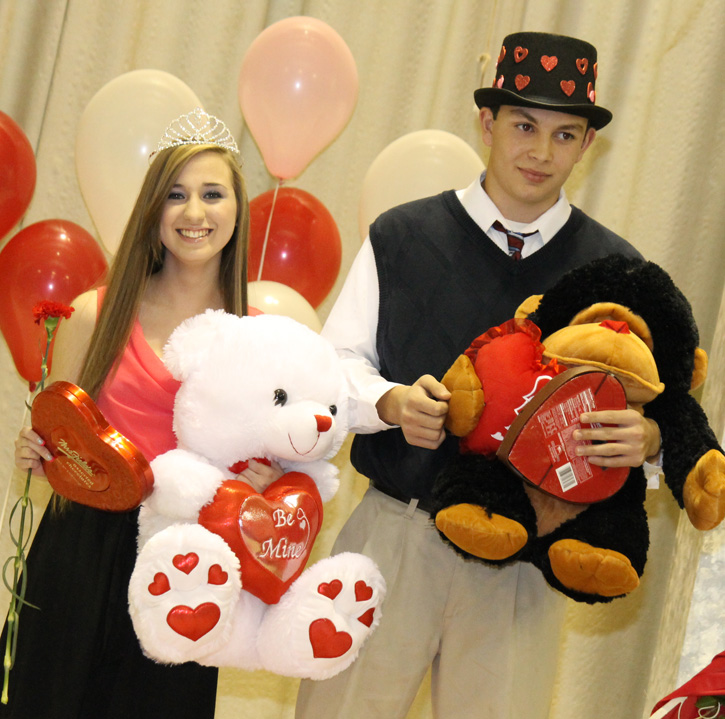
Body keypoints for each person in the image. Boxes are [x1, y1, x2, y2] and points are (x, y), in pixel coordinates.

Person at [296, 32, 661, 719]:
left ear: (587, 144)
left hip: (526, 559)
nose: (540, 151)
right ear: (487, 123)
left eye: (564, 134)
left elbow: (655, 407)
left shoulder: (617, 274)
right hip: (395, 532)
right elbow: (331, 365)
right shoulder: (403, 235)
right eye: (523, 125)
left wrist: (646, 440)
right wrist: (390, 401)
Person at [7, 108, 278, 718]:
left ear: (238, 209)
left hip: (186, 570)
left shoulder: (261, 341)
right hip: (78, 555)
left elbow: (275, 478)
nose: (194, 212)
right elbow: (54, 458)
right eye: (176, 195)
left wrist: (267, 484)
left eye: (213, 194)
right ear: (153, 209)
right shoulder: (93, 315)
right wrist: (37, 453)